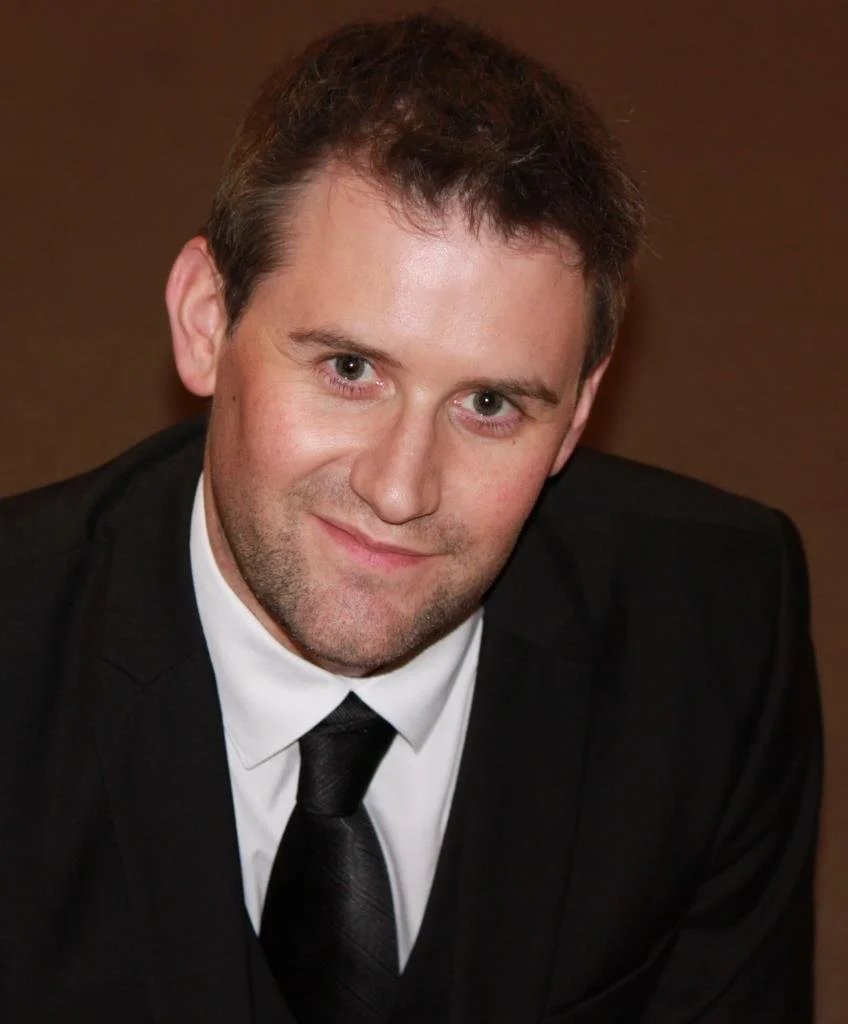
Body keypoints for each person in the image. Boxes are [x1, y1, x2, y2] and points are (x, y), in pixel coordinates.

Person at [0, 13, 820, 1024]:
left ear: (576, 416)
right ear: (206, 322)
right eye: (350, 369)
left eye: (489, 404)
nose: (400, 491)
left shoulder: (719, 631)